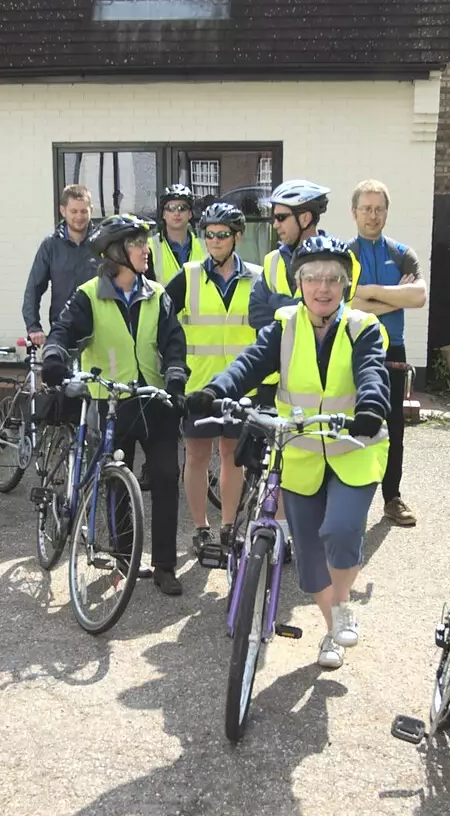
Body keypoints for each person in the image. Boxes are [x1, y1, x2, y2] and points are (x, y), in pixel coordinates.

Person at [189, 235, 389, 670]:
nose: (323, 287)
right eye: (313, 277)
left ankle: (341, 611)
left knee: (339, 531)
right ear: (299, 282)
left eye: (333, 279)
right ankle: (334, 624)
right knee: (311, 556)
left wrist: (371, 406)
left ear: (346, 285)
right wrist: (213, 391)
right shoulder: (284, 323)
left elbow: (372, 372)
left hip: (354, 448)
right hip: (298, 453)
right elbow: (251, 362)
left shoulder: (363, 328)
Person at [41, 215, 189, 596]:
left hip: (154, 401)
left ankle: (165, 566)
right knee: (117, 484)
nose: (146, 250)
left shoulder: (157, 293)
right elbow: (62, 330)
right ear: (116, 253)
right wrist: (54, 357)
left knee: (166, 478)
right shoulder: (90, 294)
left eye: (145, 243)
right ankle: (125, 560)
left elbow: (174, 341)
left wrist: (175, 376)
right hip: (111, 403)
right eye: (138, 243)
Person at [163, 201, 261, 553]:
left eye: (223, 234)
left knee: (233, 454)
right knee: (197, 456)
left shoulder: (257, 278)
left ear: (237, 237)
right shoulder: (189, 276)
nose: (215, 241)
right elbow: (161, 319)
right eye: (209, 234)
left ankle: (229, 525)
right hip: (198, 386)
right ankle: (201, 527)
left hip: (240, 386)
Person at [348, 179, 428, 528]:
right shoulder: (344, 252)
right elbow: (344, 302)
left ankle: (391, 498)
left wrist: (369, 294)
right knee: (352, 422)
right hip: (352, 345)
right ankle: (348, 494)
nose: (373, 215)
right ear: (354, 213)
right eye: (366, 208)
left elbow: (418, 297)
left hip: (391, 348)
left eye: (379, 209)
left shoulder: (401, 253)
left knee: (394, 425)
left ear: (386, 212)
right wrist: (394, 295)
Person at [250, 180, 362, 402]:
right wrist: (302, 308)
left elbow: (327, 316)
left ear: (305, 218)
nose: (275, 224)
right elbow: (255, 314)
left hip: (323, 383)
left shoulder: (343, 260)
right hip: (274, 383)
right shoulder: (272, 260)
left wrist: (276, 302)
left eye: (281, 217)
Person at [23, 184, 99, 347]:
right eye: (74, 211)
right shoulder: (50, 246)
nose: (79, 216)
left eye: (84, 211)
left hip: (99, 332)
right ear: (63, 211)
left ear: (91, 211)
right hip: (64, 331)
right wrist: (33, 327)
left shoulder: (103, 244)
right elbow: (34, 289)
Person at [150, 184, 204, 286]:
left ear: (190, 214)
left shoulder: (206, 247)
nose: (177, 213)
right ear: (163, 214)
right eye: (171, 208)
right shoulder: (150, 247)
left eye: (182, 208)